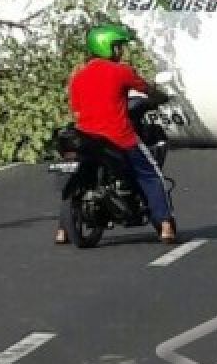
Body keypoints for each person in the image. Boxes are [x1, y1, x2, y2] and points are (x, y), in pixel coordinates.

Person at [62, 23, 175, 244]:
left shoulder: (77, 75)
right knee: (151, 174)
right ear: (108, 47)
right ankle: (165, 224)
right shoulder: (121, 71)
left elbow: (75, 107)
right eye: (118, 46)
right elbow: (145, 89)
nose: (120, 51)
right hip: (119, 137)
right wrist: (161, 97)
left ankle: (62, 231)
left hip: (84, 135)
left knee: (75, 174)